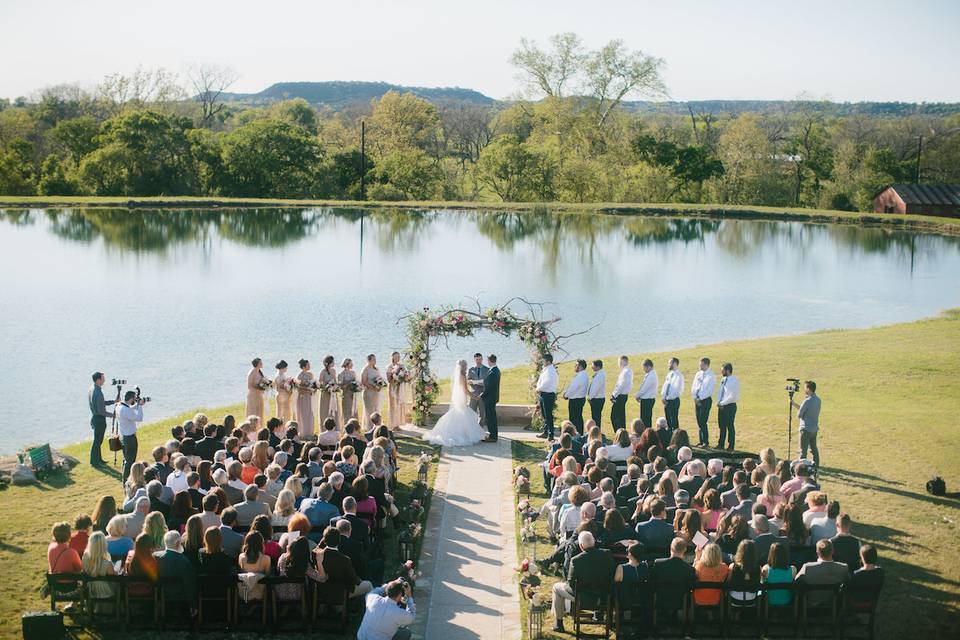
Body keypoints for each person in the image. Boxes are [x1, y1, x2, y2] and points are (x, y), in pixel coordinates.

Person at [550, 531, 616, 633]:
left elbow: (571, 585)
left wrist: (567, 584)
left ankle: (559, 623)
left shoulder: (576, 561)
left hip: (583, 599)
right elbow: (611, 574)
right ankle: (598, 613)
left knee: (556, 587)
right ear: (593, 542)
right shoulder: (607, 554)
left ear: (581, 546)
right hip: (603, 597)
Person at [421, 359, 486, 446]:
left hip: (459, 397)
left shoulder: (458, 375)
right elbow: (465, 390)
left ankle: (458, 432)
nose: (466, 367)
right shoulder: (462, 376)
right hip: (462, 397)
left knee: (459, 413)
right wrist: (473, 396)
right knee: (462, 414)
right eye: (465, 365)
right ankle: (461, 434)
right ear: (462, 367)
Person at [651, 537, 696, 621]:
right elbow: (692, 586)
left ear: (670, 547)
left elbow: (652, 580)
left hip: (661, 598)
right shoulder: (689, 569)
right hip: (681, 601)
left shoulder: (658, 564)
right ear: (684, 550)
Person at [796, 539, 850, 606]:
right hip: (834, 603)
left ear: (817, 553)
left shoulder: (807, 567)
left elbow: (796, 582)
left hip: (811, 602)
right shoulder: (843, 568)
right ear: (833, 551)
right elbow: (848, 583)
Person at [88, 372, 117, 467]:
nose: (104, 380)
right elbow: (101, 411)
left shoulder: (92, 389)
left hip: (95, 418)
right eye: (103, 378)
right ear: (98, 380)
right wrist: (112, 415)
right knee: (97, 441)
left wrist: (113, 401)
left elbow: (101, 403)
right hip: (99, 419)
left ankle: (98, 459)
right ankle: (94, 462)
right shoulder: (98, 392)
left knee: (98, 440)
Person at [792, 380, 822, 469]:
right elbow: (806, 411)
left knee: (802, 451)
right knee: (814, 449)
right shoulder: (818, 400)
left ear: (808, 389)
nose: (804, 389)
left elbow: (799, 415)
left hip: (805, 429)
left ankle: (801, 469)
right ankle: (816, 467)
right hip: (814, 428)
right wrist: (795, 405)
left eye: (805, 388)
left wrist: (802, 405)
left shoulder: (807, 401)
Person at [117, 389, 145, 483]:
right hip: (130, 438)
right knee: (130, 461)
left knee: (126, 460)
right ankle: (126, 481)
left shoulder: (120, 406)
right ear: (131, 398)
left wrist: (136, 405)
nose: (135, 400)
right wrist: (140, 406)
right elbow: (139, 418)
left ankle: (125, 478)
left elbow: (130, 409)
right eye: (135, 398)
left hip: (123, 437)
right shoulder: (126, 410)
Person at [690, 357, 716, 447]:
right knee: (698, 420)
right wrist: (695, 397)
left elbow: (709, 390)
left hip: (705, 400)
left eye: (701, 364)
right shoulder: (698, 374)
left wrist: (701, 398)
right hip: (697, 400)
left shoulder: (711, 375)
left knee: (703, 420)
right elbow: (694, 386)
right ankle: (700, 440)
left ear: (706, 364)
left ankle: (705, 441)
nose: (699, 366)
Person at [761, 542, 796, 606]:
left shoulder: (765, 569)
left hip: (770, 601)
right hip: (787, 600)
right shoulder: (793, 569)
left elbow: (762, 583)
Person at [716, 362, 740, 450]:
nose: (721, 372)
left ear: (728, 370)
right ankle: (721, 444)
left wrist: (722, 403)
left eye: (723, 370)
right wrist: (719, 402)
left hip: (729, 406)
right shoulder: (723, 380)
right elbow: (720, 391)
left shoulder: (734, 380)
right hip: (721, 406)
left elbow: (732, 395)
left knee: (729, 426)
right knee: (721, 426)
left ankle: (731, 445)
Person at [536, 354, 559, 440]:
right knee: (544, 415)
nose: (543, 362)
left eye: (544, 360)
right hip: (543, 394)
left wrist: (539, 388)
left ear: (548, 361)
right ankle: (545, 432)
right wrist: (538, 387)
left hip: (548, 394)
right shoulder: (546, 369)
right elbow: (540, 380)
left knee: (548, 415)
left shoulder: (551, 371)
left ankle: (551, 435)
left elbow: (546, 382)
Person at [563, 359, 589, 434]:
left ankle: (574, 434)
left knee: (574, 419)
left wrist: (566, 395)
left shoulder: (580, 376)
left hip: (575, 400)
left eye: (576, 365)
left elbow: (573, 388)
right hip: (580, 399)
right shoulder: (584, 375)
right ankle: (579, 433)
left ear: (580, 366)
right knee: (578, 417)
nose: (575, 366)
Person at [386, 351, 409, 429]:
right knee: (393, 406)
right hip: (393, 388)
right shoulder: (389, 367)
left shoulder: (402, 365)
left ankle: (398, 424)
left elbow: (406, 376)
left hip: (400, 388)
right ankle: (393, 425)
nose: (398, 358)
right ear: (392, 358)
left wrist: (405, 377)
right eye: (396, 357)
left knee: (399, 406)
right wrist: (395, 377)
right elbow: (389, 380)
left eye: (399, 357)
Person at [361, 354, 384, 430]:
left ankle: (377, 425)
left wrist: (379, 385)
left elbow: (380, 379)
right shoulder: (365, 369)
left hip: (376, 392)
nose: (375, 361)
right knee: (369, 409)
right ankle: (369, 427)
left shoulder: (377, 369)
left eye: (375, 359)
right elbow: (364, 381)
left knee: (376, 407)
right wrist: (373, 388)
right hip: (368, 393)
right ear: (369, 360)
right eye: (373, 359)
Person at [481, 354, 501, 442]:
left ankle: (493, 436)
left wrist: (481, 395)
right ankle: (493, 434)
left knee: (490, 417)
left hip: (490, 398)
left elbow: (489, 387)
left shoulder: (493, 372)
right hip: (492, 398)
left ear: (489, 360)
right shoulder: (496, 370)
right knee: (491, 416)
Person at [661, 357, 684, 430]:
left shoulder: (679, 375)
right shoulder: (669, 374)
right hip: (667, 401)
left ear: (674, 363)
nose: (668, 365)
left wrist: (668, 398)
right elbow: (665, 386)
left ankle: (676, 437)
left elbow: (677, 390)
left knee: (674, 420)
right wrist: (663, 397)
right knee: (668, 421)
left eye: (670, 363)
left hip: (673, 400)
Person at [610, 356, 632, 430]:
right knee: (621, 415)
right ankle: (623, 433)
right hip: (623, 395)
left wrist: (614, 395)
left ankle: (618, 433)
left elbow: (621, 385)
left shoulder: (625, 372)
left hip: (620, 396)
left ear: (623, 362)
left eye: (619, 362)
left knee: (614, 416)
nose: (618, 364)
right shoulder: (628, 371)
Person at [634, 359, 658, 430]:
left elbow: (644, 388)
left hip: (648, 400)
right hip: (646, 399)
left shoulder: (651, 376)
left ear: (648, 366)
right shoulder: (650, 374)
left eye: (644, 368)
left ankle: (647, 435)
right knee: (646, 419)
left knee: (645, 420)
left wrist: (637, 395)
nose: (644, 369)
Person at [295, 359, 316, 437]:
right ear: (304, 366)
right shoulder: (299, 375)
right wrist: (307, 390)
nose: (309, 366)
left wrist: (313, 389)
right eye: (308, 365)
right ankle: (302, 432)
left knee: (309, 413)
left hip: (309, 397)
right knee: (303, 414)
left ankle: (309, 432)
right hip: (302, 397)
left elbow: (313, 385)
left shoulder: (310, 374)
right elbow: (299, 389)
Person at [245, 357, 268, 425]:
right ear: (257, 364)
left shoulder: (259, 372)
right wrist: (259, 388)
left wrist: (267, 385)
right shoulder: (252, 373)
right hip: (253, 396)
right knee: (253, 411)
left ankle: (259, 427)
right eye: (260, 363)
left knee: (260, 412)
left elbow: (263, 381)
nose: (262, 364)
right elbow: (249, 386)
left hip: (259, 395)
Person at [318, 355, 339, 429]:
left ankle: (334, 427)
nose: (334, 363)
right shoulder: (323, 372)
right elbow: (320, 383)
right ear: (329, 363)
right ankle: (324, 428)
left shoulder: (333, 371)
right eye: (333, 362)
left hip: (332, 394)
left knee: (334, 410)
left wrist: (335, 387)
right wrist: (327, 387)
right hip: (325, 394)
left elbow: (335, 381)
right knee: (325, 410)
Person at [339, 358, 360, 423]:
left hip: (353, 394)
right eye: (351, 363)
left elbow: (356, 382)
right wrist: (348, 384)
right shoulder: (342, 373)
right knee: (347, 411)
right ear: (347, 364)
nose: (352, 365)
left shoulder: (353, 372)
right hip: (346, 394)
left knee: (354, 411)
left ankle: (355, 427)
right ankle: (346, 427)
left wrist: (357, 386)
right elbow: (340, 386)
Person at [586, 360, 606, 430]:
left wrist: (590, 397)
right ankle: (596, 431)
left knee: (596, 418)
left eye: (593, 366)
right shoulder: (599, 373)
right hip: (597, 398)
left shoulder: (600, 375)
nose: (592, 367)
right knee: (596, 417)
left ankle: (596, 432)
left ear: (598, 367)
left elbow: (595, 388)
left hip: (597, 399)